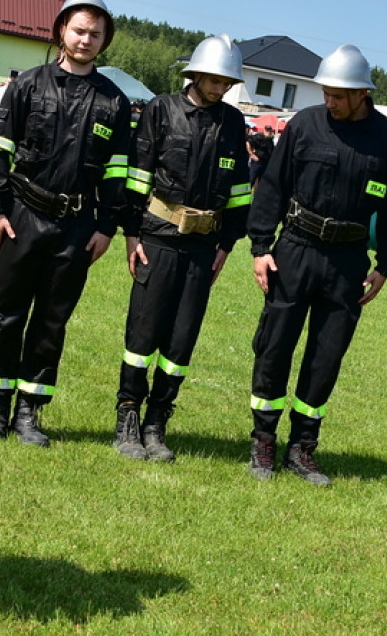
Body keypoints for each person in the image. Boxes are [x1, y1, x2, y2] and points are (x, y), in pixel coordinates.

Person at [247, 45, 387, 486]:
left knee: (326, 357)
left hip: (348, 260)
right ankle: (263, 440)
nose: (330, 101)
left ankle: (302, 448)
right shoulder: (304, 124)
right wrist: (262, 246)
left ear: (361, 93)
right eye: (326, 93)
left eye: (338, 95)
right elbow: (273, 187)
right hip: (295, 248)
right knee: (275, 345)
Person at [0, 0, 130, 447]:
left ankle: (29, 413)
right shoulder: (28, 85)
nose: (86, 39)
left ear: (105, 42)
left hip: (76, 227)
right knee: (7, 316)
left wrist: (106, 227)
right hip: (22, 216)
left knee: (51, 322)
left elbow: (118, 173)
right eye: (79, 30)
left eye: (95, 34)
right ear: (62, 30)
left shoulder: (115, 102)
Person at [114, 35, 252, 461]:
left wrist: (226, 245)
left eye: (229, 81)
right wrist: (132, 234)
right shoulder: (162, 110)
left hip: (204, 245)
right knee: (144, 331)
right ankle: (128, 418)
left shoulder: (233, 123)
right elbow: (138, 176)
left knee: (181, 340)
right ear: (197, 72)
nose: (222, 87)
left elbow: (240, 192)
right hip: (157, 237)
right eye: (216, 78)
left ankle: (157, 422)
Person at [247, 124, 275, 190]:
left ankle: (257, 197)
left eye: (269, 130)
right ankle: (246, 195)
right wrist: (251, 154)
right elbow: (248, 142)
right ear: (264, 130)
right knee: (251, 180)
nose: (268, 132)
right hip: (257, 162)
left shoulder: (270, 140)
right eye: (267, 130)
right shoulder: (259, 137)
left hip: (266, 163)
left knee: (262, 183)